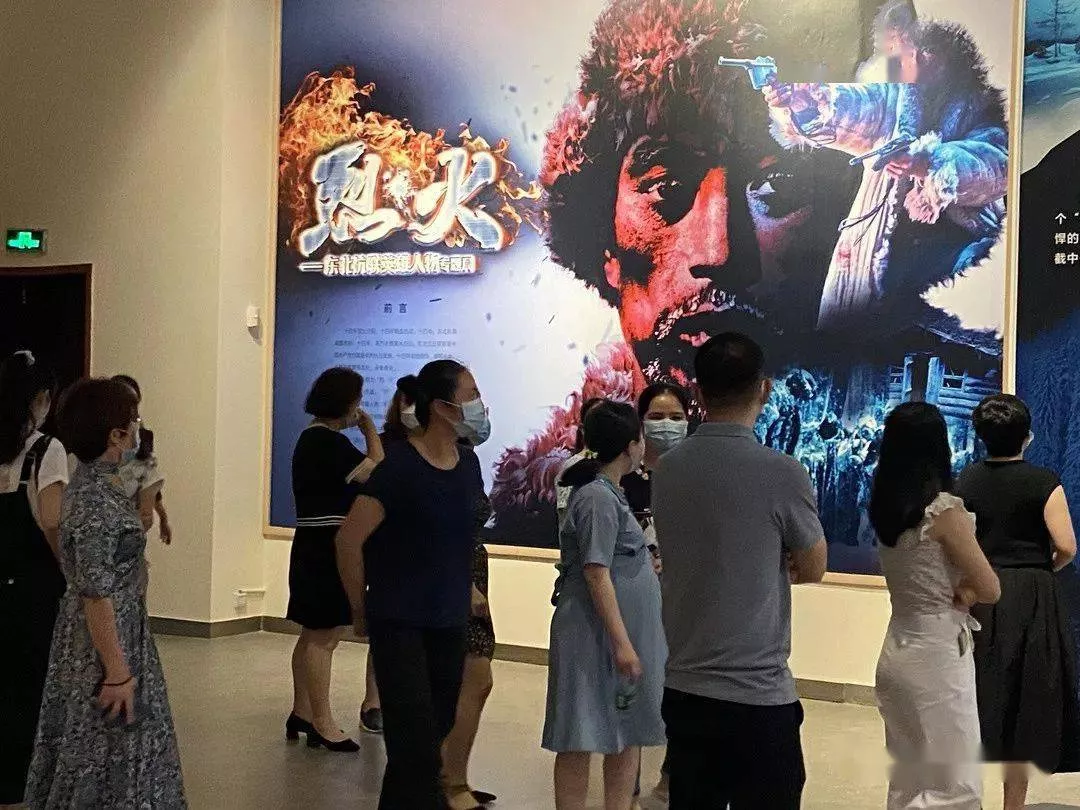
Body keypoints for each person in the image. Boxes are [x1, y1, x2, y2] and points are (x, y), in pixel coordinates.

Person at [652, 332, 827, 808]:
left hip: (685, 686)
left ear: (698, 392)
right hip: (758, 694)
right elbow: (814, 566)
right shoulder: (783, 472)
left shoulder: (668, 469)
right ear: (764, 389)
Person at [27, 377, 186, 808]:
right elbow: (95, 592)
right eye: (132, 422)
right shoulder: (93, 500)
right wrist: (116, 671)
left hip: (123, 628)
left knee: (119, 740)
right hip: (103, 639)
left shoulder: (101, 486)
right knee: (102, 740)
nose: (138, 429)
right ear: (115, 435)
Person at [336, 360, 488, 810]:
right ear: (442, 407)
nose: (480, 404)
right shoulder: (399, 467)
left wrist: (469, 589)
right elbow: (349, 540)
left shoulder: (468, 465)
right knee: (415, 741)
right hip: (400, 621)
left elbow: (462, 538)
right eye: (471, 394)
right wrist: (359, 608)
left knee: (430, 736)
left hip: (448, 622)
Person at [870, 401, 1001, 810]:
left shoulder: (886, 509)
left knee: (909, 778)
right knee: (955, 785)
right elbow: (990, 587)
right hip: (938, 652)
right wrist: (968, 594)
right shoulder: (944, 512)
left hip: (897, 647)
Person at [955, 394, 1080, 810]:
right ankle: (1013, 805)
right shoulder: (1044, 482)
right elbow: (1066, 546)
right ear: (1027, 436)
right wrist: (1042, 568)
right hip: (1031, 595)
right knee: (1024, 702)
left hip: (980, 594)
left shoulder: (966, 481)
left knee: (977, 696)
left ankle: (968, 798)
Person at [542, 400, 667, 810]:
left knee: (627, 731)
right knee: (579, 734)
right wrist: (623, 644)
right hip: (595, 636)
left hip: (618, 635)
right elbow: (596, 572)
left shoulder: (612, 494)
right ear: (631, 445)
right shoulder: (596, 498)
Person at [285, 367, 384, 752]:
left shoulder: (311, 439)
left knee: (312, 633)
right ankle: (322, 721)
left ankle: (302, 711)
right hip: (325, 547)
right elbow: (377, 470)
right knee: (324, 636)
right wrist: (370, 431)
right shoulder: (327, 442)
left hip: (311, 544)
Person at [0, 351, 67, 808]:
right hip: (30, 587)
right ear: (41, 398)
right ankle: (19, 783)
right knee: (28, 685)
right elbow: (52, 522)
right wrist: (72, 572)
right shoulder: (46, 450)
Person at [627, 382, 691, 807]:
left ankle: (671, 774)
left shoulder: (695, 476)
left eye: (675, 417)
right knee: (634, 687)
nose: (666, 425)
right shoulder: (624, 478)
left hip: (684, 598)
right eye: (656, 417)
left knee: (682, 690)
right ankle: (626, 777)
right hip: (634, 596)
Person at [111, 375, 172, 542]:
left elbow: (150, 477)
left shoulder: (144, 436)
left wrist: (163, 517)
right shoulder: (102, 438)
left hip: (134, 523)